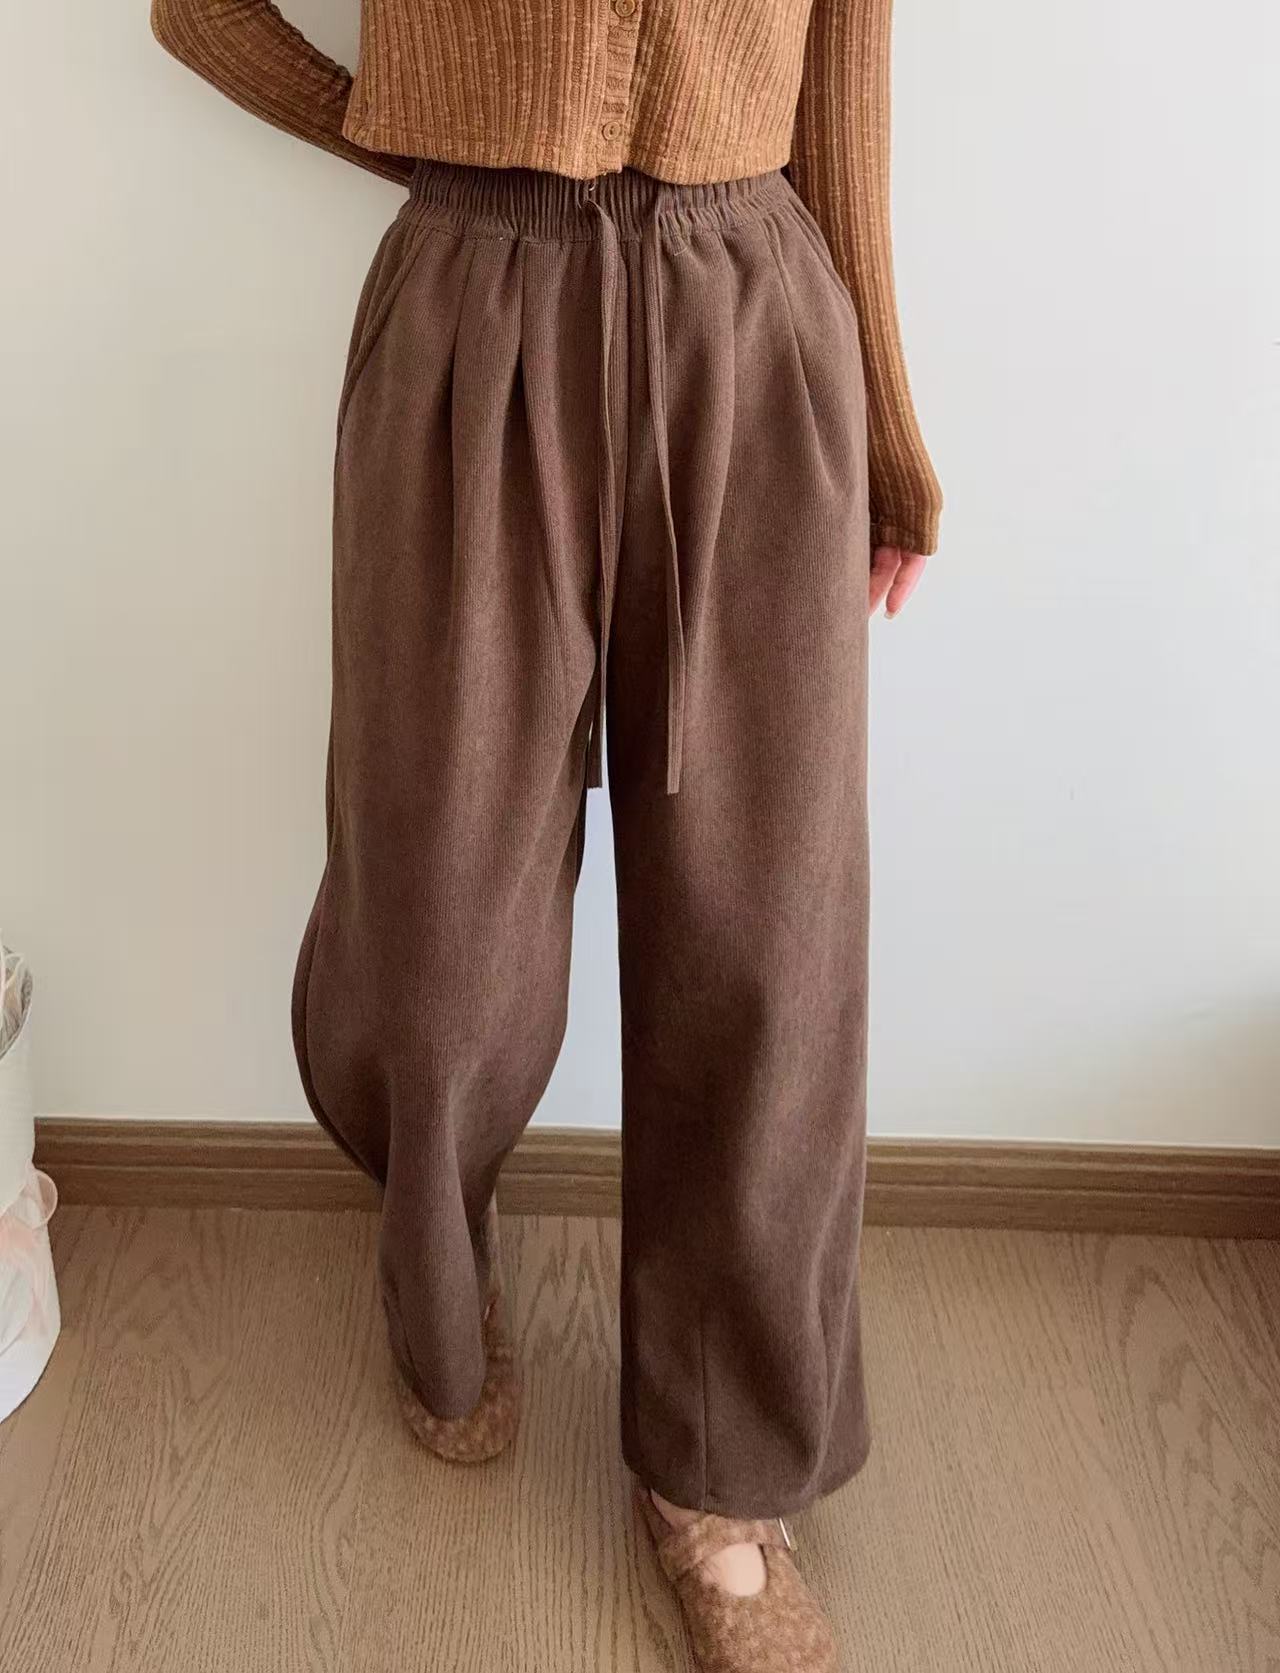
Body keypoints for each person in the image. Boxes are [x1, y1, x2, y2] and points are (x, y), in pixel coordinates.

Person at [151, 2, 941, 1665]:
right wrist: (424, 142)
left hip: (753, 327)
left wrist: (883, 417)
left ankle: (720, 1475)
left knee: (769, 931)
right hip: (474, 312)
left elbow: (848, 74)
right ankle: (439, 1279)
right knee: (432, 920)